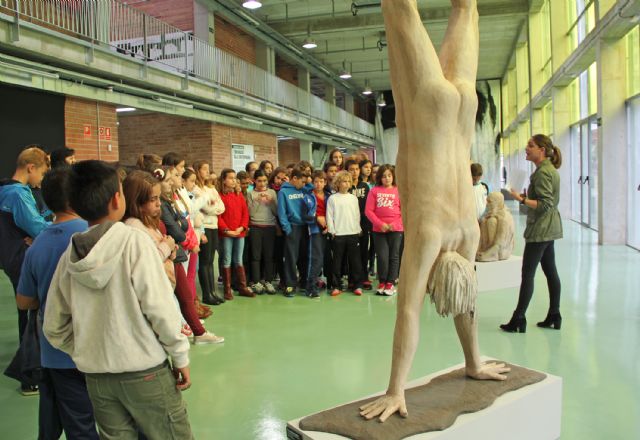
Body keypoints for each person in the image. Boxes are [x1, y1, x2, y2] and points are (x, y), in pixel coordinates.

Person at [360, 1, 510, 423]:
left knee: (467, 8)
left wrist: (474, 361)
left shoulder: (469, 236)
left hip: (463, 109)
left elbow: (469, 304)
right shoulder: (431, 237)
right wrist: (395, 388)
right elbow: (408, 312)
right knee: (398, 8)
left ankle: (473, 362)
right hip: (425, 108)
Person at [43, 160, 195, 438]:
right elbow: (160, 308)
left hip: (97, 380)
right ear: (117, 199)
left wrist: (87, 351)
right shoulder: (134, 242)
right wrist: (180, 354)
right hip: (145, 373)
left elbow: (53, 325)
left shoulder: (71, 254)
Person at [15, 167, 98, 439]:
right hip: (92, 346)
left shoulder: (38, 244)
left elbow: (24, 301)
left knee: (62, 423)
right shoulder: (94, 235)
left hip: (53, 352)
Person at [0, 146, 50, 395]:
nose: (40, 181)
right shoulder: (18, 194)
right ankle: (29, 373)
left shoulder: (6, 190)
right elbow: (36, 226)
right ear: (31, 168)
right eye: (40, 174)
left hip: (12, 256)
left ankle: (30, 368)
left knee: (27, 311)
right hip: (20, 257)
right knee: (32, 311)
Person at [501, 135, 563, 333]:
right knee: (550, 271)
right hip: (549, 228)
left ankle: (518, 318)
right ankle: (554, 314)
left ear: (542, 150)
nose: (526, 148)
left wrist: (520, 199)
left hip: (541, 230)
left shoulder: (542, 173)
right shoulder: (547, 170)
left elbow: (545, 204)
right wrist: (527, 199)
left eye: (531, 145)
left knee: (528, 274)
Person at [159, 167, 222, 344]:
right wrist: (181, 226)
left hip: (181, 246)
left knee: (185, 290)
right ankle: (182, 325)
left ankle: (193, 327)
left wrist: (182, 226)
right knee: (174, 293)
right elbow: (177, 228)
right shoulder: (164, 203)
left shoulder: (171, 199)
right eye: (170, 179)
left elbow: (184, 222)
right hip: (174, 250)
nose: (172, 182)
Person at [365, 165, 404, 296]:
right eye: (384, 176)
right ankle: (382, 281)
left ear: (393, 177)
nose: (387, 178)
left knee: (394, 256)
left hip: (396, 229)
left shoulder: (399, 191)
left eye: (389, 175)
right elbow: (368, 211)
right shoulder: (374, 191)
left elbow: (404, 212)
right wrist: (380, 224)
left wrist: (394, 224)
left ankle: (390, 282)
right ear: (379, 178)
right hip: (378, 230)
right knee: (382, 256)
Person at [193, 160, 226, 305]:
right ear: (197, 171)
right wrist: (213, 208)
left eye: (208, 169)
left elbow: (221, 206)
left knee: (212, 260)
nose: (207, 172)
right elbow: (205, 208)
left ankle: (213, 292)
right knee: (205, 261)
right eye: (204, 169)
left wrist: (213, 207)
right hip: (204, 226)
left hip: (214, 226)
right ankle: (207, 294)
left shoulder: (211, 189)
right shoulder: (196, 189)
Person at [217, 168, 254, 299]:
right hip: (227, 234)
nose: (234, 181)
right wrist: (227, 230)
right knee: (227, 259)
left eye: (235, 178)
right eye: (231, 178)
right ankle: (227, 289)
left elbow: (245, 213)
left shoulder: (239, 196)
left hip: (239, 233)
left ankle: (242, 287)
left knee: (239, 259)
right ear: (224, 180)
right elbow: (218, 216)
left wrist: (242, 227)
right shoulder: (219, 196)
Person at [326, 171, 364, 296]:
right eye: (344, 181)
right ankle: (336, 286)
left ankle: (357, 285)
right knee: (337, 262)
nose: (346, 184)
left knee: (355, 261)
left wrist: (358, 229)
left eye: (348, 181)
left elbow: (357, 215)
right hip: (338, 235)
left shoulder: (353, 198)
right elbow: (329, 216)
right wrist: (332, 231)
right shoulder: (333, 199)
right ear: (338, 183)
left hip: (353, 233)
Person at [277, 168, 311, 297]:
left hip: (305, 227)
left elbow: (312, 187)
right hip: (293, 227)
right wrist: (287, 228)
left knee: (305, 255)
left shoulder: (304, 189)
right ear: (294, 179)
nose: (304, 184)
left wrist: (307, 181)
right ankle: (290, 284)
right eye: (301, 181)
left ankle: (304, 282)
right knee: (291, 257)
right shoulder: (283, 192)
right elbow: (281, 212)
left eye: (305, 182)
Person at [246, 169, 278, 294]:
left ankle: (268, 281)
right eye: (259, 181)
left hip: (270, 227)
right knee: (255, 256)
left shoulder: (272, 192)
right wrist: (258, 201)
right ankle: (256, 282)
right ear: (254, 181)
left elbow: (276, 212)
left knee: (269, 256)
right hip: (255, 227)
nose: (262, 183)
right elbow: (250, 213)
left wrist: (271, 202)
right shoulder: (250, 193)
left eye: (264, 180)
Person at [346, 159, 372, 290]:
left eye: (356, 169)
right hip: (349, 225)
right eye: (351, 169)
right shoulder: (346, 187)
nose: (355, 172)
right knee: (352, 254)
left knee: (364, 252)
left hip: (364, 225)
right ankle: (352, 279)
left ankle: (364, 277)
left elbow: (368, 206)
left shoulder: (365, 186)